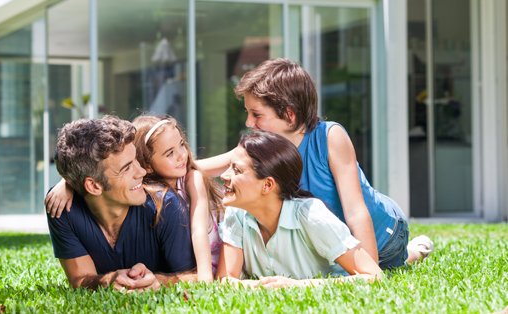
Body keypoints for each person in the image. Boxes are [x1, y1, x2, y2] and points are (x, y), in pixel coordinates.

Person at [197, 58, 433, 269]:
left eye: (257, 115)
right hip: (335, 240)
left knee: (390, 263)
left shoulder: (330, 137)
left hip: (385, 234)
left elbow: (356, 211)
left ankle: (414, 251)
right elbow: (208, 166)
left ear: (289, 115)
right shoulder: (264, 148)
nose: (249, 122)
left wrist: (368, 269)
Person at [47, 115, 223, 282]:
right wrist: (67, 182)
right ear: (93, 186)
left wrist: (158, 282)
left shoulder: (167, 202)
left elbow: (195, 277)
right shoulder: (61, 206)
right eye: (126, 168)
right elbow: (80, 280)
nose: (142, 172)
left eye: (136, 160)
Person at [217, 131, 383, 288]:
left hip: (388, 238)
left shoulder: (312, 216)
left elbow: (374, 276)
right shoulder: (236, 212)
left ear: (267, 185)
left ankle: (410, 251)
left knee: (399, 256)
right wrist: (256, 286)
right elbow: (226, 279)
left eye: (236, 170)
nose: (224, 175)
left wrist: (297, 286)